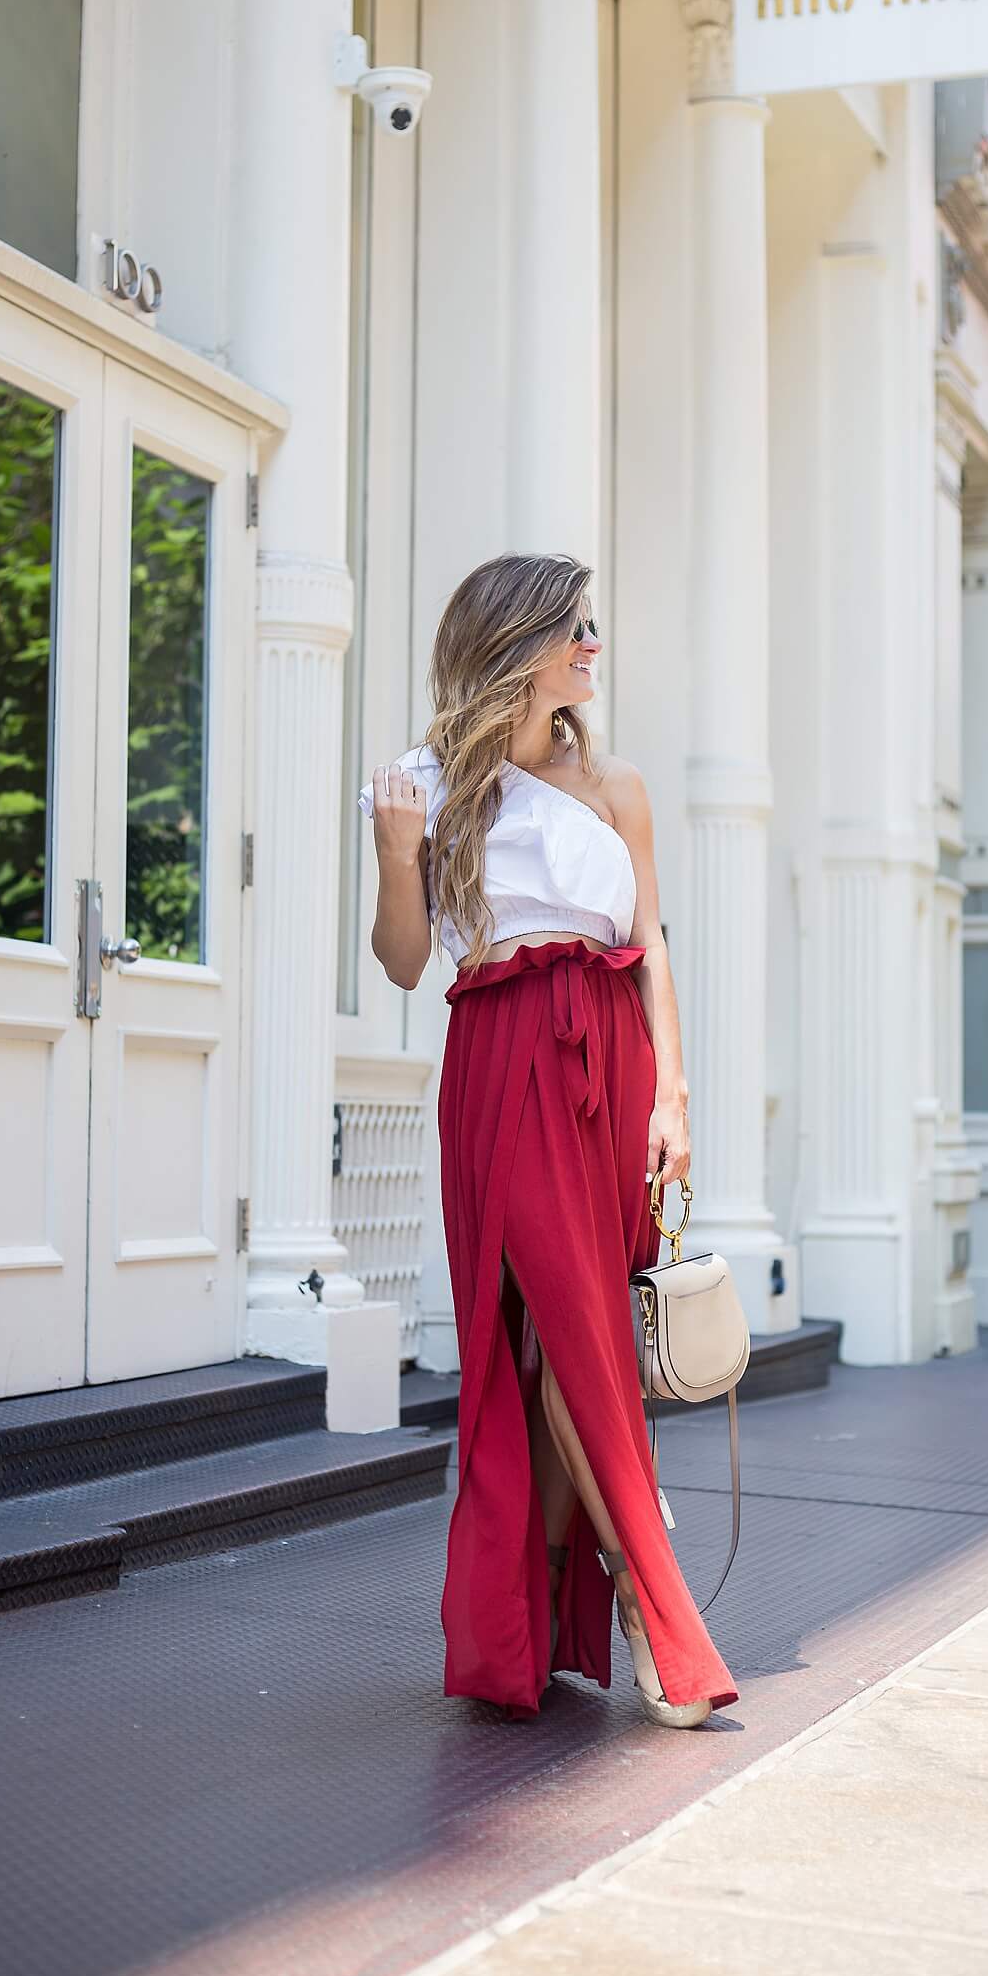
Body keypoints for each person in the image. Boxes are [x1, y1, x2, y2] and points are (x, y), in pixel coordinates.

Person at [359, 552, 736, 1728]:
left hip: (608, 1062)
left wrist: (672, 1095)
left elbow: (653, 942)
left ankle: (568, 1606)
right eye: (573, 627)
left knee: (568, 1352)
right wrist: (394, 854)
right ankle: (644, 1590)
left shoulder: (616, 783)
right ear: (516, 644)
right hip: (500, 1057)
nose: (592, 646)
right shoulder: (423, 785)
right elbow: (407, 961)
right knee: (555, 1329)